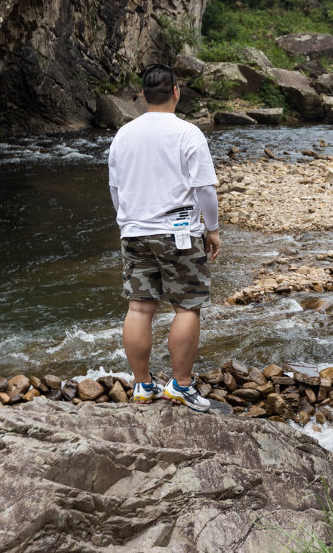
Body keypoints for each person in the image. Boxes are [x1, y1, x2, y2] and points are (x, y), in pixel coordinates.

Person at [106, 64, 222, 412]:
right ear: (176, 91)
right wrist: (212, 229)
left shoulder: (123, 134)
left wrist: (126, 223)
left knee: (139, 308)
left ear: (142, 95)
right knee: (187, 304)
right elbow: (204, 189)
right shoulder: (188, 133)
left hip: (134, 231)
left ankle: (142, 386)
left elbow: (115, 188)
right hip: (179, 234)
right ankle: (181, 386)